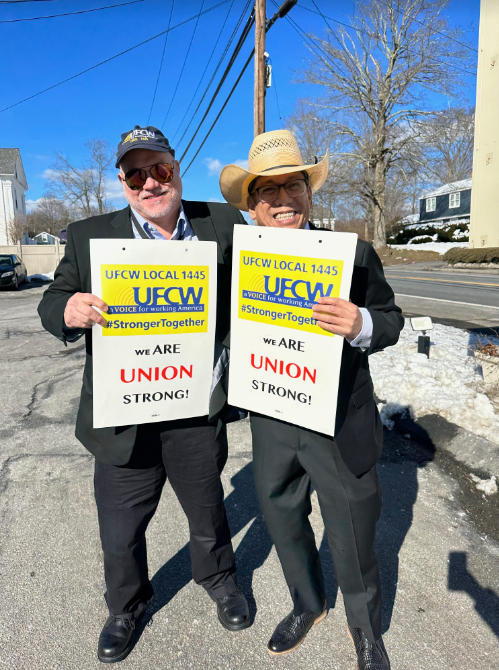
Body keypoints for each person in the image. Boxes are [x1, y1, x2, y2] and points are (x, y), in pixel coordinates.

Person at [38, 125, 249, 664]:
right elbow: (54, 298)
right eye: (136, 173)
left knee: (206, 507)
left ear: (177, 169)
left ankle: (220, 578)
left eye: (160, 169)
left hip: (194, 407)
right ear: (123, 183)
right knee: (121, 524)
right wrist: (67, 311)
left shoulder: (219, 223)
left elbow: (268, 269)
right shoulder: (88, 236)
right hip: (123, 409)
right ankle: (126, 605)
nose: (150, 183)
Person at [219, 130, 404, 670]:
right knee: (282, 519)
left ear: (308, 191)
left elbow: (390, 321)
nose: (282, 200)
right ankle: (308, 602)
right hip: (272, 414)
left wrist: (362, 322)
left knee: (351, 532)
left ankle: (366, 631)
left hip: (337, 420)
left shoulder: (354, 255)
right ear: (251, 206)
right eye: (267, 191)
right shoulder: (235, 262)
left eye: (293, 185)